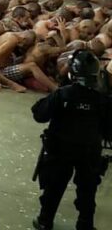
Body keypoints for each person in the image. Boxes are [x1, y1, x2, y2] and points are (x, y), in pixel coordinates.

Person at [31, 50, 111, 230]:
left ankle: (45, 220)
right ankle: (85, 225)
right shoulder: (102, 100)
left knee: (54, 187)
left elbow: (40, 114)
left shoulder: (63, 94)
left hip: (60, 149)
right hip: (89, 151)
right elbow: (109, 130)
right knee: (87, 190)